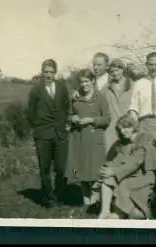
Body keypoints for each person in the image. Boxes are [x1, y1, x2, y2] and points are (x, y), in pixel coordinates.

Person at [97, 114, 156, 220]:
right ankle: (104, 212)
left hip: (144, 177)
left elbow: (135, 162)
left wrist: (114, 172)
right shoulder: (124, 142)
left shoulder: (145, 140)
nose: (123, 131)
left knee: (121, 182)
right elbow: (119, 159)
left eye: (126, 127)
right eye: (121, 128)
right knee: (108, 177)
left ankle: (122, 213)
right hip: (130, 174)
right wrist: (107, 168)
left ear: (134, 127)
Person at [26, 59, 71, 208]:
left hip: (60, 134)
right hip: (43, 133)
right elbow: (30, 112)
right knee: (44, 167)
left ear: (55, 73)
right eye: (46, 72)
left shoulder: (62, 88)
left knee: (60, 167)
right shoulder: (36, 90)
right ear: (42, 72)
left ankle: (59, 194)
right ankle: (48, 197)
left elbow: (67, 106)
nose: (48, 75)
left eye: (51, 72)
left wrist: (65, 124)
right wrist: (38, 126)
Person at [65, 68, 111, 207]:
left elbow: (107, 119)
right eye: (81, 82)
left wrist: (91, 120)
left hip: (94, 138)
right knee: (82, 168)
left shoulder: (100, 98)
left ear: (93, 81)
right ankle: (85, 198)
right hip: (78, 137)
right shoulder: (76, 97)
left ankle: (95, 198)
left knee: (96, 170)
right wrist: (72, 117)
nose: (84, 84)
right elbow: (69, 115)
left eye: (87, 81)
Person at [103, 58, 134, 161]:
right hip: (112, 127)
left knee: (127, 154)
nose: (115, 73)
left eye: (117, 70)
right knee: (110, 154)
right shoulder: (106, 87)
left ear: (123, 70)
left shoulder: (132, 85)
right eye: (112, 71)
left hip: (128, 125)